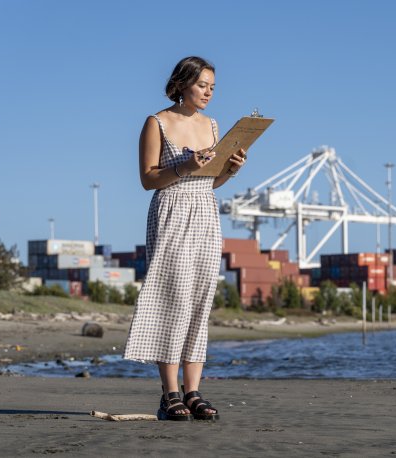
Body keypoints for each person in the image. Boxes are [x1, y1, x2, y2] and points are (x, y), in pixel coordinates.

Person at [123, 56, 246, 421]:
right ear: (182, 84)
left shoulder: (213, 125)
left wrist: (230, 171)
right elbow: (147, 179)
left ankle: (193, 393)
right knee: (172, 297)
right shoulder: (157, 122)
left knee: (199, 299)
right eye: (202, 85)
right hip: (172, 210)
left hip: (205, 212)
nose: (208, 92)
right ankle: (169, 393)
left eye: (212, 86)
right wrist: (185, 166)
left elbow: (210, 182)